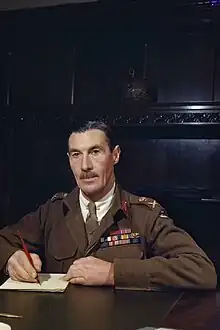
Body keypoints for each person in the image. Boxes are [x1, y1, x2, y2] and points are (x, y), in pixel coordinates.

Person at [0, 121, 217, 290]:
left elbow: (201, 271)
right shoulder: (53, 210)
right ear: (69, 160)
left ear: (115, 155)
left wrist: (114, 273)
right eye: (76, 155)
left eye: (95, 152)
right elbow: (4, 240)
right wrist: (11, 258)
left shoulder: (144, 214)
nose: (85, 166)